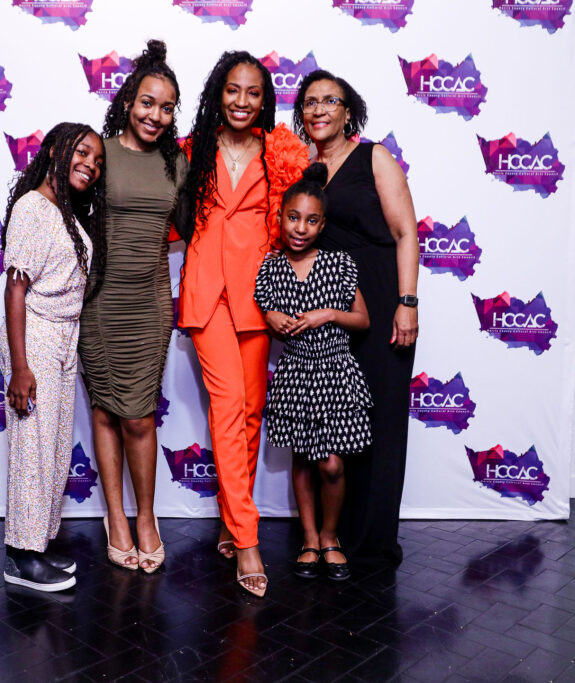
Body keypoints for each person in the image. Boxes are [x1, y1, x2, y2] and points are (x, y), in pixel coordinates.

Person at [177, 50, 308, 597]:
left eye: (253, 92)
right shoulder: (192, 148)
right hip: (208, 294)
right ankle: (249, 540)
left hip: (258, 295)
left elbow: (298, 218)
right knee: (229, 406)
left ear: (265, 99)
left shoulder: (279, 151)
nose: (242, 101)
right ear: (218, 92)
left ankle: (233, 521)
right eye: (233, 90)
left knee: (252, 411)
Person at [293, 70, 419, 566]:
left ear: (349, 111)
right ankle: (332, 535)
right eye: (309, 102)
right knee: (334, 424)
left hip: (382, 297)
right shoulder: (302, 167)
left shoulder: (374, 157)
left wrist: (407, 303)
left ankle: (375, 540)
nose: (318, 109)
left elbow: (407, 233)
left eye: (330, 100)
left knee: (381, 420)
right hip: (330, 307)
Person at [78, 39, 186, 574]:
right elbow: (65, 213)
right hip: (98, 302)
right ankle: (114, 518)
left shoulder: (177, 163)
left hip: (148, 304)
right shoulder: (97, 150)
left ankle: (146, 517)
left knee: (140, 418)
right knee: (103, 411)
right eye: (147, 103)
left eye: (167, 107)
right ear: (127, 101)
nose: (156, 115)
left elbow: (190, 229)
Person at [0, 122, 107, 592]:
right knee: (33, 449)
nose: (91, 165)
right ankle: (21, 557)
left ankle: (35, 547)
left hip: (66, 338)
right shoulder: (32, 207)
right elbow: (16, 287)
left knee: (55, 447)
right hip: (37, 337)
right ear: (56, 152)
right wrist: (21, 366)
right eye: (82, 153)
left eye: (99, 161)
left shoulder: (67, 213)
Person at [254, 163, 372, 582]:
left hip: (336, 373)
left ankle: (329, 535)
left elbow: (363, 320)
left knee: (332, 465)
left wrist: (329, 314)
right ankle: (308, 538)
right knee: (302, 460)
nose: (299, 228)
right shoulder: (270, 266)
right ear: (281, 217)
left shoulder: (339, 264)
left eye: (311, 220)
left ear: (322, 225)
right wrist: (271, 317)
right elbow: (264, 307)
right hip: (296, 375)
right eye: (292, 217)